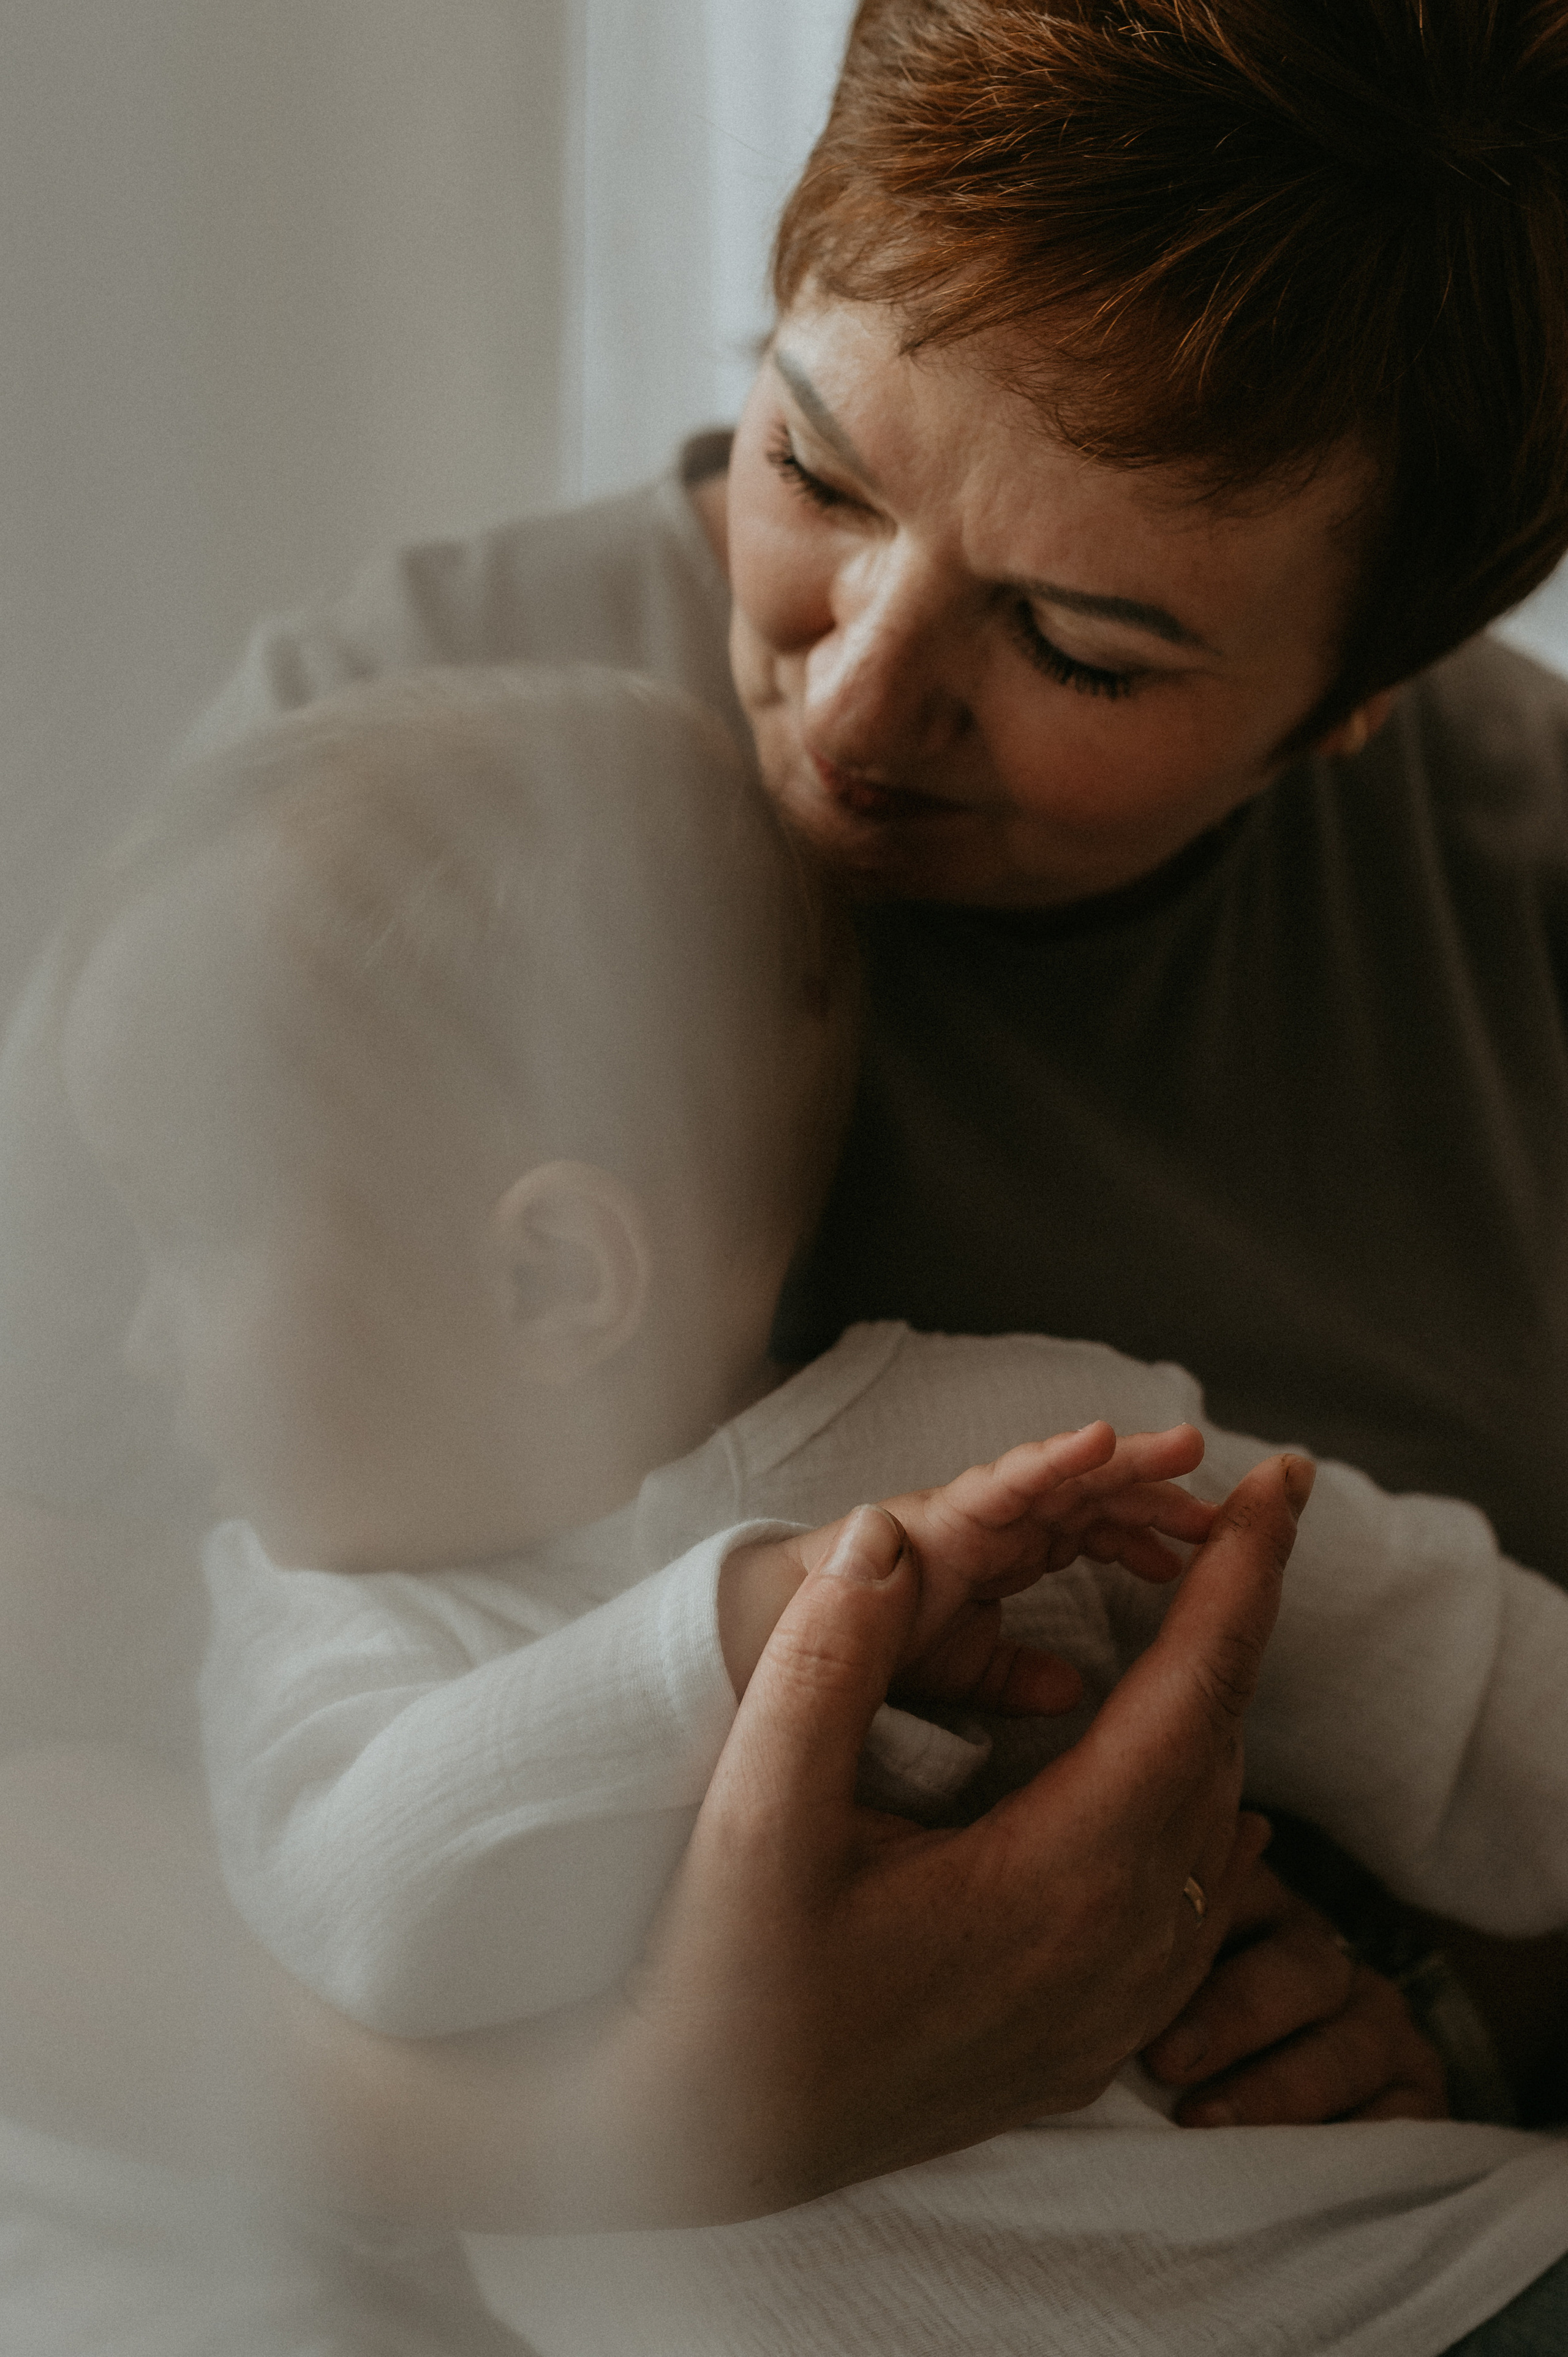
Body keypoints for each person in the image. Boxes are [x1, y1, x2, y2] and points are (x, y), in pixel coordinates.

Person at [0, 0, 1565, 2340]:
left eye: (1081, 644)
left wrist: (1456, 2007)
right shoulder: (386, 794)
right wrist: (676, 2111)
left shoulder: (1509, 904)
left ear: (1362, 690)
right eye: (813, 470)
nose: (849, 709)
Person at [59, 666, 1568, 2355]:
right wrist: (748, 1625)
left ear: (554, 1278)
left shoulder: (1014, 1445)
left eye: (184, 1236)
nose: (132, 1339)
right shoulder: (314, 1624)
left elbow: (1457, 1670)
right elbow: (379, 1915)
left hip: (1403, 2289)